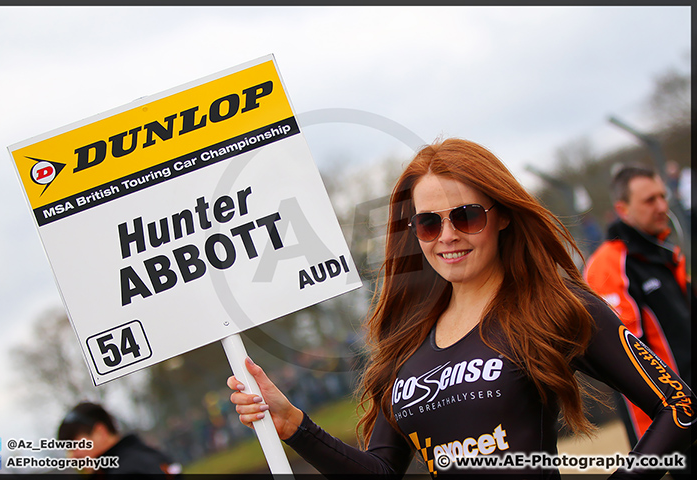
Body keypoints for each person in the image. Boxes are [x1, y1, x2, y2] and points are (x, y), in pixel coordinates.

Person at [228, 139, 694, 478]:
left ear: (503, 215)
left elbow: (681, 408)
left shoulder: (554, 307)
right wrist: (294, 425)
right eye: (429, 223)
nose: (447, 235)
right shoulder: (403, 342)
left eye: (466, 216)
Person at [584, 165, 693, 445]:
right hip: (672, 422)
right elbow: (624, 359)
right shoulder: (609, 265)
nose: (661, 206)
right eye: (649, 200)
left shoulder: (667, 253)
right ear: (623, 209)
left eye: (662, 196)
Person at [57, 401, 182, 477]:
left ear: (100, 432)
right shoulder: (146, 456)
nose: (73, 456)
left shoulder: (127, 472)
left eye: (74, 444)